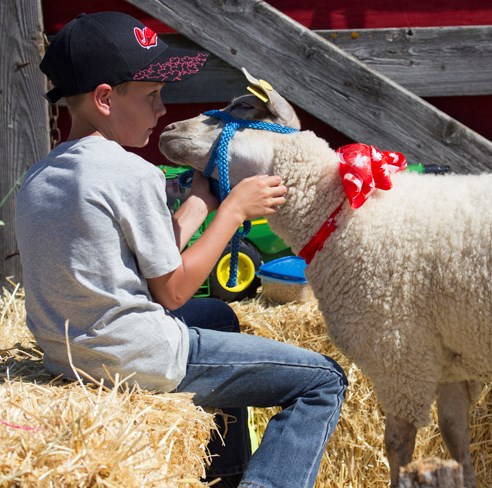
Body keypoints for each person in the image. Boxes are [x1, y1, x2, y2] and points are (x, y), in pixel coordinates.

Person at [15, 11, 347, 488]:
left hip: (73, 356)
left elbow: (146, 262)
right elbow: (171, 291)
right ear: (105, 99)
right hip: (138, 358)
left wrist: (198, 204)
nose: (163, 110)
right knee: (323, 381)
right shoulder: (130, 173)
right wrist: (232, 210)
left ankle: (226, 472)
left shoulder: (41, 175)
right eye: (151, 96)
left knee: (218, 316)